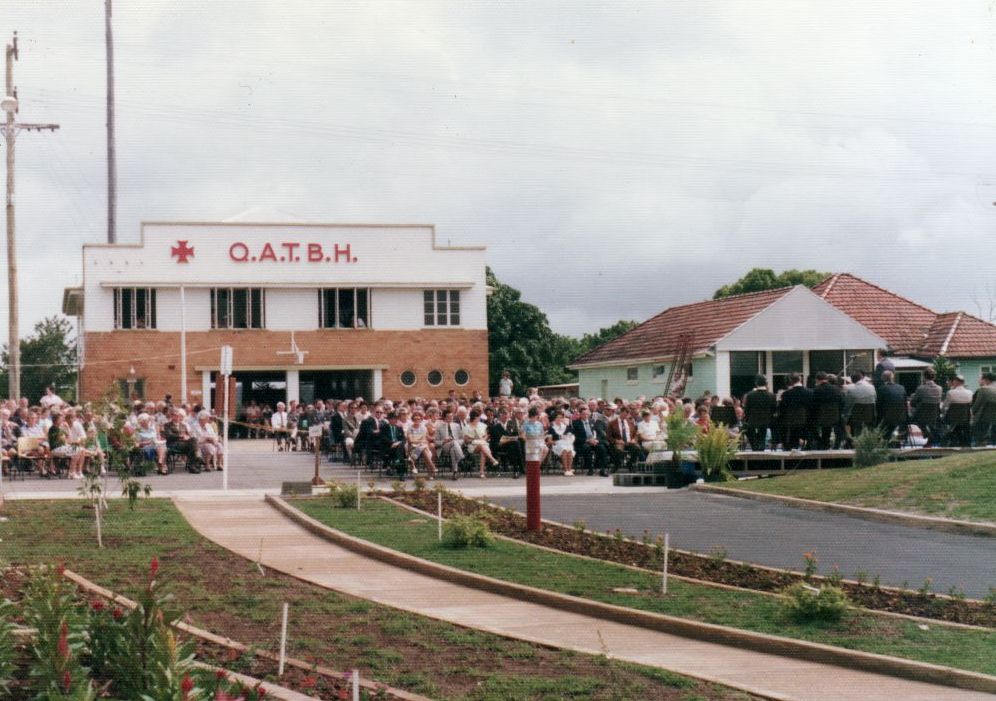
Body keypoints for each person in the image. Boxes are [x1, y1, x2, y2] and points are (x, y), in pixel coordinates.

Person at [778, 373, 813, 449]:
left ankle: (787, 446)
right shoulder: (810, 393)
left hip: (791, 424)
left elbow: (782, 410)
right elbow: (812, 409)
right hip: (806, 423)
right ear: (800, 379)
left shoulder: (786, 394)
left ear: (790, 381)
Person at [811, 371, 845, 449]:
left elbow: (813, 406)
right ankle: (837, 445)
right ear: (826, 379)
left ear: (817, 380)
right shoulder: (837, 389)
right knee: (839, 421)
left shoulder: (816, 390)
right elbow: (842, 403)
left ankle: (822, 443)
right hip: (835, 417)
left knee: (811, 425)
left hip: (821, 418)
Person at [910, 367, 942, 446]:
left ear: (924, 377)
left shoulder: (921, 388)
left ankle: (929, 437)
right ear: (934, 377)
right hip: (934, 416)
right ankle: (931, 438)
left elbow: (913, 403)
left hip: (921, 417)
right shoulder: (939, 389)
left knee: (912, 416)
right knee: (930, 423)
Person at [742, 375, 776, 451]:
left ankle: (755, 446)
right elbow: (774, 410)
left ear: (756, 383)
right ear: (766, 383)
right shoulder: (772, 396)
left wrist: (746, 419)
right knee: (762, 431)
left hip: (752, 421)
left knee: (747, 428)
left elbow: (747, 410)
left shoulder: (750, 395)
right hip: (767, 421)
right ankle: (761, 445)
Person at [875, 370, 908, 444]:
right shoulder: (901, 388)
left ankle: (885, 441)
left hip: (887, 419)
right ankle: (896, 440)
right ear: (893, 378)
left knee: (878, 420)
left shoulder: (881, 389)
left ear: (883, 378)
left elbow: (878, 406)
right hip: (901, 418)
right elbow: (905, 404)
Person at [942, 374, 973, 447]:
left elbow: (944, 407)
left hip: (952, 420)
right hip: (965, 420)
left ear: (956, 382)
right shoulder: (970, 392)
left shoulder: (950, 392)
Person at [607, 405, 641, 471]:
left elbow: (635, 434)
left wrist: (634, 440)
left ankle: (630, 463)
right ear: (621, 412)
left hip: (629, 442)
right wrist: (616, 441)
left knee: (637, 448)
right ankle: (617, 464)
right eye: (625, 414)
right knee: (619, 450)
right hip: (619, 442)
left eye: (628, 414)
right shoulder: (612, 423)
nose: (626, 416)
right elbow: (608, 436)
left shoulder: (630, 422)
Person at [406, 411, 436, 478]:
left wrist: (417, 441)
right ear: (413, 419)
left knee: (423, 449)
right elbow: (410, 441)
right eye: (415, 419)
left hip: (421, 447)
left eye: (419, 419)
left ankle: (413, 464)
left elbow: (424, 439)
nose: (417, 420)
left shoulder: (423, 428)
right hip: (412, 447)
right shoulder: (410, 428)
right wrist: (419, 441)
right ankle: (432, 469)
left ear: (421, 419)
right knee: (423, 449)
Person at [971, 372, 996, 446]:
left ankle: (977, 444)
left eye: (980, 379)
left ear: (986, 380)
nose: (978, 381)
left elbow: (975, 407)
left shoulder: (983, 389)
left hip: (983, 420)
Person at [548, 410, 575, 476]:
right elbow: (549, 441)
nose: (559, 419)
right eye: (557, 417)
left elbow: (571, 436)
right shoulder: (551, 428)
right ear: (554, 418)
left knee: (570, 450)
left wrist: (569, 439)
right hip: (557, 445)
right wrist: (556, 441)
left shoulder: (566, 427)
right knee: (564, 450)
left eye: (561, 417)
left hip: (567, 443)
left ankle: (569, 469)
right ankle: (566, 470)